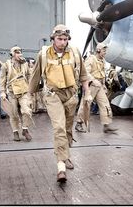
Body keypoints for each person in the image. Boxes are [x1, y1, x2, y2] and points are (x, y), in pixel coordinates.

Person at [28, 24, 91, 183]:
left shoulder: (75, 52)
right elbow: (35, 76)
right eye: (59, 39)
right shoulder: (43, 54)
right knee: (59, 127)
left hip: (71, 95)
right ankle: (61, 166)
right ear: (53, 39)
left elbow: (83, 75)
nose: (63, 42)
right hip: (52, 95)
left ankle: (66, 154)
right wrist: (29, 96)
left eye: (65, 39)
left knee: (68, 129)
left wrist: (88, 93)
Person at [74, 42, 117, 133]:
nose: (105, 53)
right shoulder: (91, 59)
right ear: (98, 50)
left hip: (100, 85)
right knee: (86, 105)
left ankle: (106, 125)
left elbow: (102, 73)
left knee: (105, 104)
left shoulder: (103, 61)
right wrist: (93, 80)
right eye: (104, 51)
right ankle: (79, 123)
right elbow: (85, 72)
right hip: (91, 85)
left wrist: (104, 84)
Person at [0, 46, 33, 142]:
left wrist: (31, 88)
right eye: (17, 52)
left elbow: (29, 76)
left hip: (24, 91)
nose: (19, 54)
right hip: (12, 92)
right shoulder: (6, 65)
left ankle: (25, 129)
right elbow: (2, 79)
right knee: (13, 114)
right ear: (12, 54)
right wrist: (2, 92)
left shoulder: (25, 64)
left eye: (20, 52)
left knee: (27, 111)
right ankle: (15, 132)